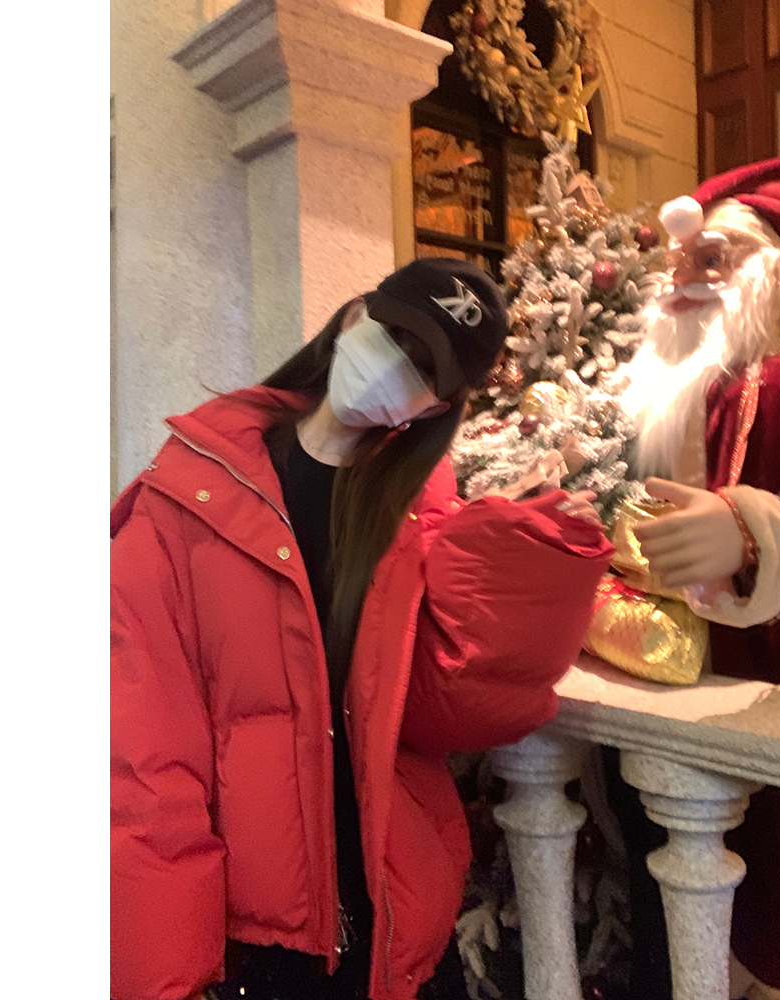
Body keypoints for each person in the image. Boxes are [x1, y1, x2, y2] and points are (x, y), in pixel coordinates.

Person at [110, 257, 615, 1000]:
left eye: (424, 371)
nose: (394, 371)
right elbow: (145, 752)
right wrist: (168, 971)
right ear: (354, 318)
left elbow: (449, 710)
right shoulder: (186, 501)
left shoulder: (416, 517)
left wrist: (533, 553)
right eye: (395, 338)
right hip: (257, 945)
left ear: (433, 409)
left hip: (396, 923)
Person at [613, 158, 780, 1000]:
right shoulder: (641, 400)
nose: (686, 278)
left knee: (777, 930)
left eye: (713, 258)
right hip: (643, 725)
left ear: (771, 276)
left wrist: (752, 533)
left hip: (769, 724)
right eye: (679, 260)